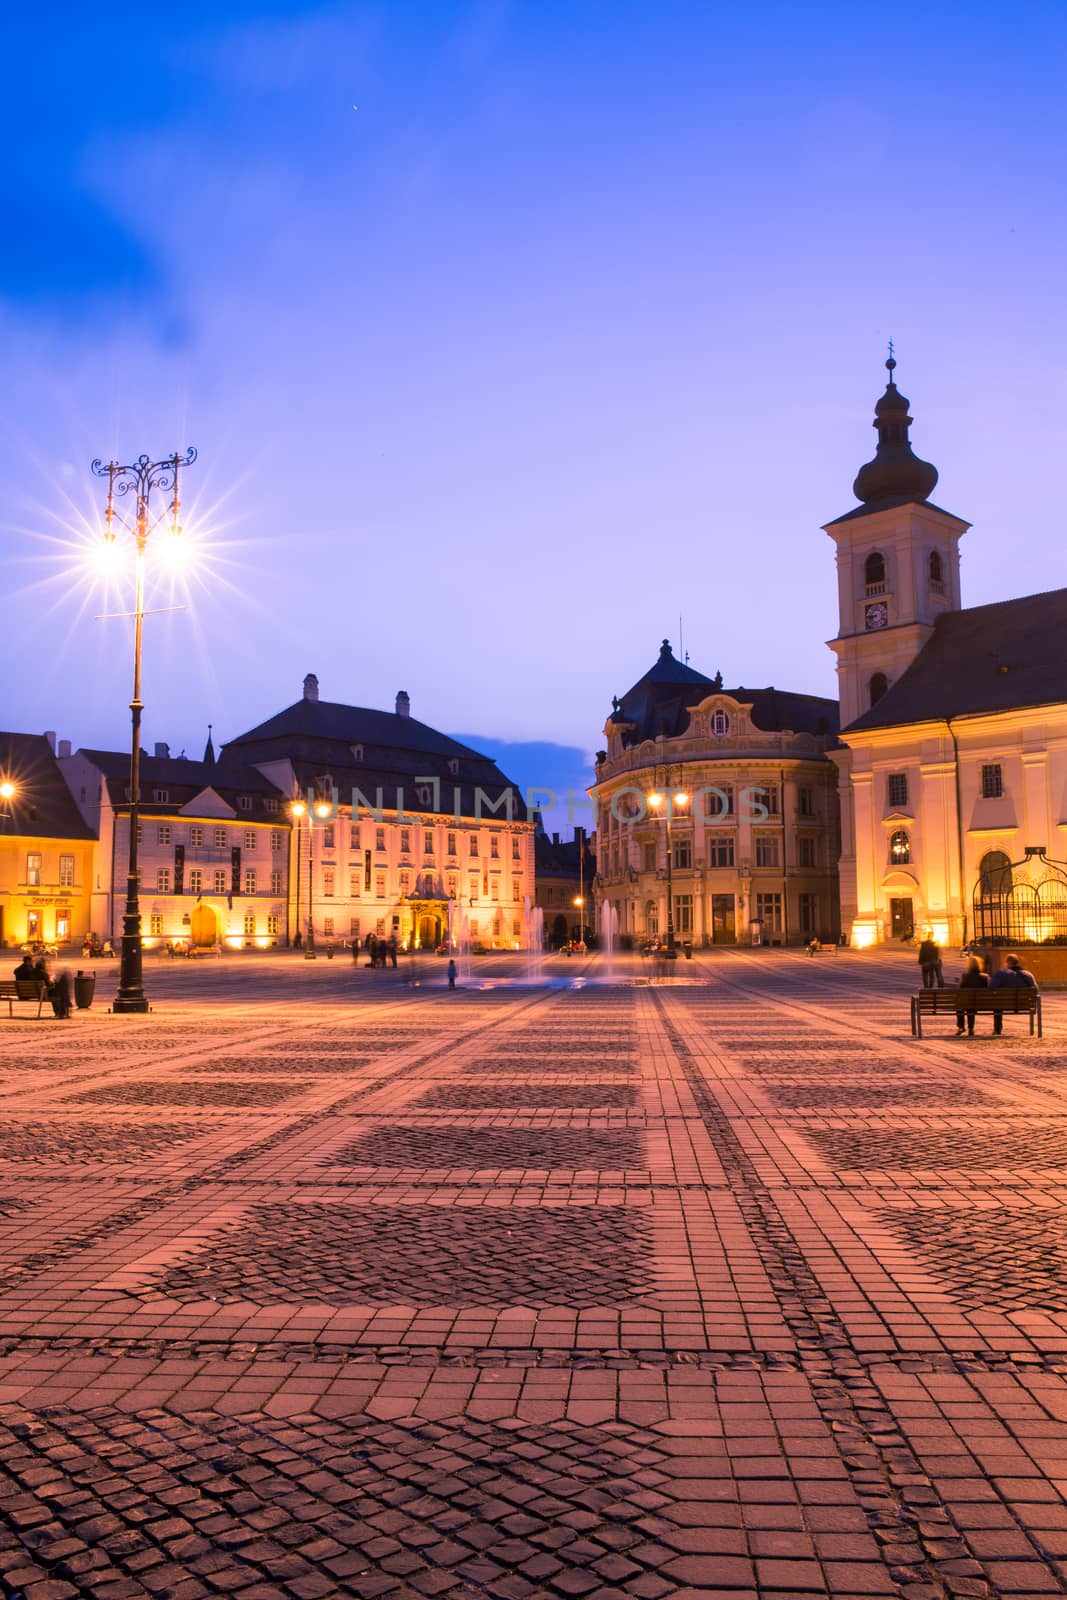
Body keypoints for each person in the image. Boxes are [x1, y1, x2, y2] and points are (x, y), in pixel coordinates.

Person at [989, 952, 1038, 1036]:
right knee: (998, 1002)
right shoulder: (1028, 974)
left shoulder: (1001, 973)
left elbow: (991, 986)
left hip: (1003, 1004)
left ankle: (997, 1029)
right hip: (1025, 1004)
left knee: (997, 1003)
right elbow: (1036, 990)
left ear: (1008, 963)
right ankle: (1032, 1030)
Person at [956, 955, 989, 1037]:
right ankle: (971, 1028)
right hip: (982, 1004)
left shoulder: (964, 976)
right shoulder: (985, 977)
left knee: (961, 1006)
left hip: (968, 1003)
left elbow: (960, 990)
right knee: (971, 1006)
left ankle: (961, 1027)